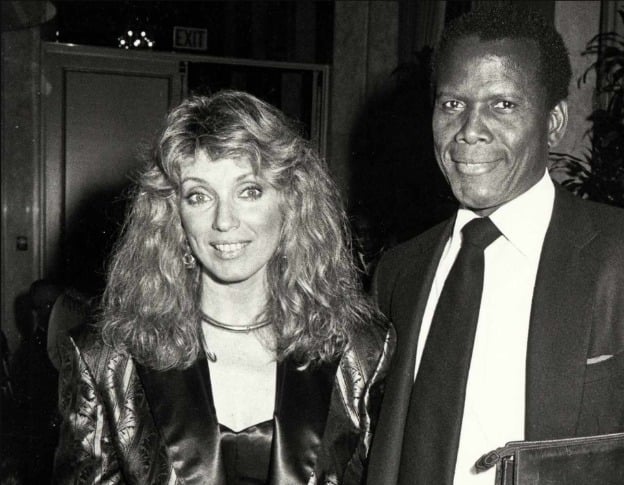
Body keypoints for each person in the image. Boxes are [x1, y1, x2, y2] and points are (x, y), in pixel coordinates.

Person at [366, 5, 624, 485]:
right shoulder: (398, 271)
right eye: (452, 104)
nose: (469, 130)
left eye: (503, 104)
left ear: (554, 121)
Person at [53, 90, 394, 485]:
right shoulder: (105, 358)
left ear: (291, 202)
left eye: (249, 191)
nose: (224, 221)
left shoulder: (363, 351)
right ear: (173, 214)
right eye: (199, 196)